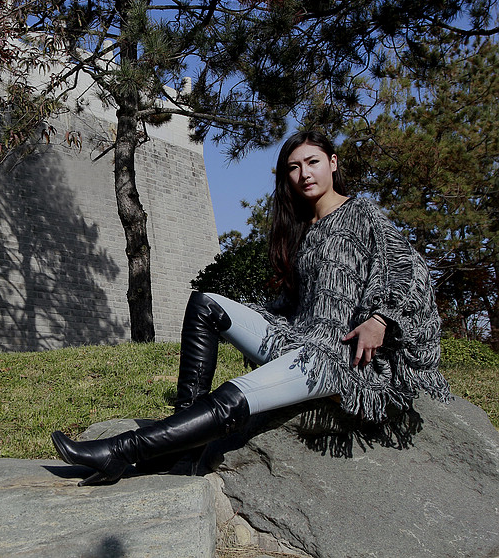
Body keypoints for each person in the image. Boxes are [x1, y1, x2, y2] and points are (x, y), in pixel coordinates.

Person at [52, 130, 452, 486]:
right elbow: (297, 305)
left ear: (333, 163)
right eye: (293, 167)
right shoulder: (304, 230)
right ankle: (181, 451)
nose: (304, 173)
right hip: (301, 339)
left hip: (339, 357)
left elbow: (411, 271)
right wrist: (261, 316)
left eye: (313, 162)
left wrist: (381, 319)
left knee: (234, 394)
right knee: (205, 303)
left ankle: (121, 451)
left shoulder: (362, 212)